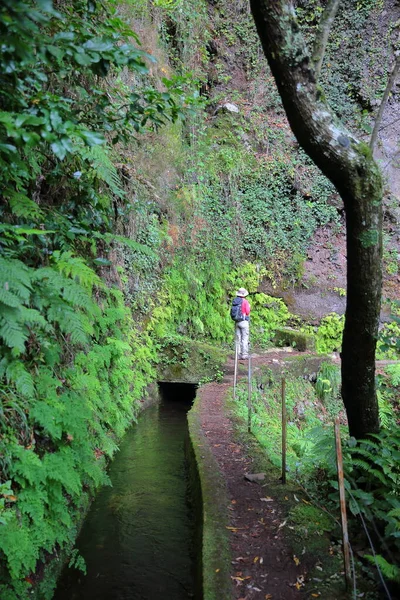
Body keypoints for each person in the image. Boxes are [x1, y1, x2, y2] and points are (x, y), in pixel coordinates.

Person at [234, 287, 250, 359]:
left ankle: (237, 355)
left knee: (237, 338)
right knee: (244, 338)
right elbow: (247, 312)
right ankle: (244, 355)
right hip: (244, 322)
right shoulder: (245, 301)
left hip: (237, 321)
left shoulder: (235, 301)